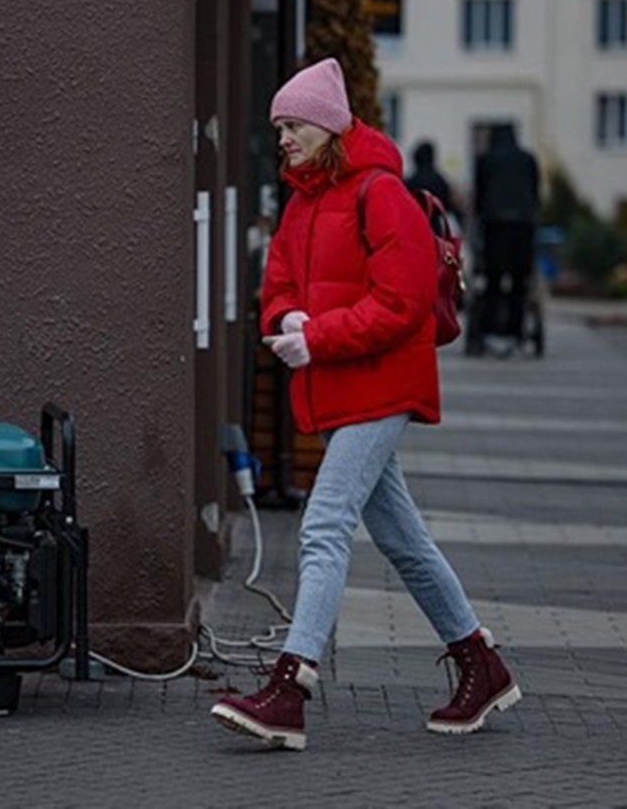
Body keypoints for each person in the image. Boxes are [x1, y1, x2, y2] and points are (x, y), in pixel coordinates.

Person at [209, 58, 520, 751]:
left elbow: (404, 303)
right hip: (342, 388)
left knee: (323, 525)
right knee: (403, 540)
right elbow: (280, 281)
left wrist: (316, 338)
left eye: (291, 126)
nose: (282, 139)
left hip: (382, 384)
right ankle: (482, 665)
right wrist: (289, 319)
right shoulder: (301, 200)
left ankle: (290, 689)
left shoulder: (380, 194)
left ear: (325, 128)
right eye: (279, 127)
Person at [472, 123, 540, 354]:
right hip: (523, 225)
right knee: (520, 282)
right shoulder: (527, 159)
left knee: (493, 280)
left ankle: (491, 330)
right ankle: (516, 330)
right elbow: (535, 193)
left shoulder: (486, 160)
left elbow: (479, 196)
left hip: (495, 226)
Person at [404, 139, 462, 232]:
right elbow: (446, 204)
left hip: (414, 226)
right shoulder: (440, 180)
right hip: (435, 227)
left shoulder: (411, 181)